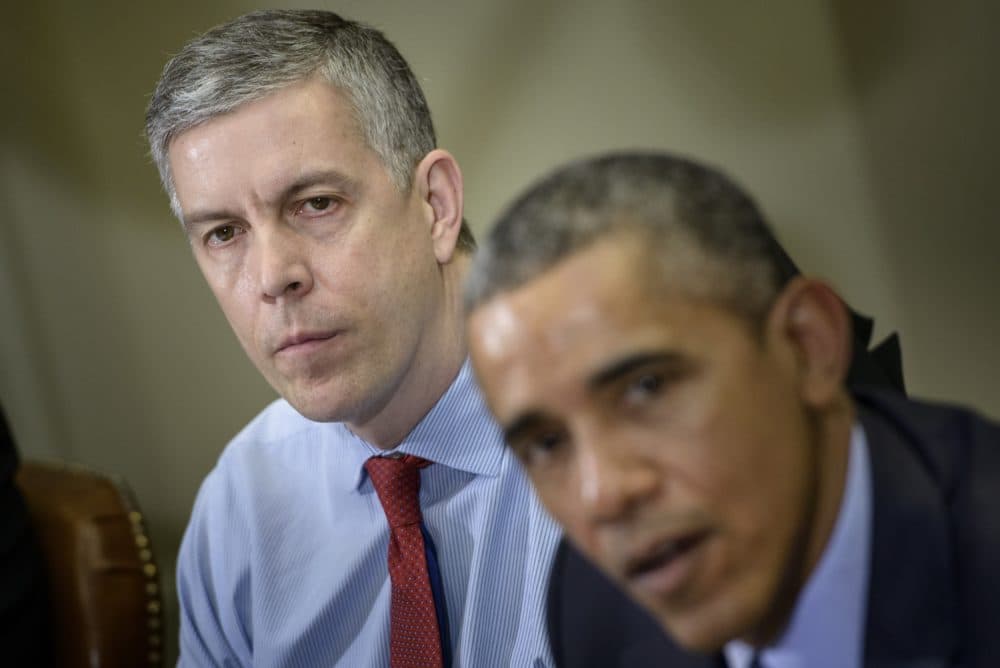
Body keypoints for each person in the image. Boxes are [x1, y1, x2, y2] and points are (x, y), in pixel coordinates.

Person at [464, 151, 1000, 668]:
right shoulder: (594, 607)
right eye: (547, 444)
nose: (602, 493)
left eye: (647, 388)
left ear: (807, 346)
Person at [144, 10, 559, 666]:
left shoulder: (629, 449)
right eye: (224, 232)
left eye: (316, 204)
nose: (274, 276)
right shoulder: (240, 506)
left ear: (436, 206)